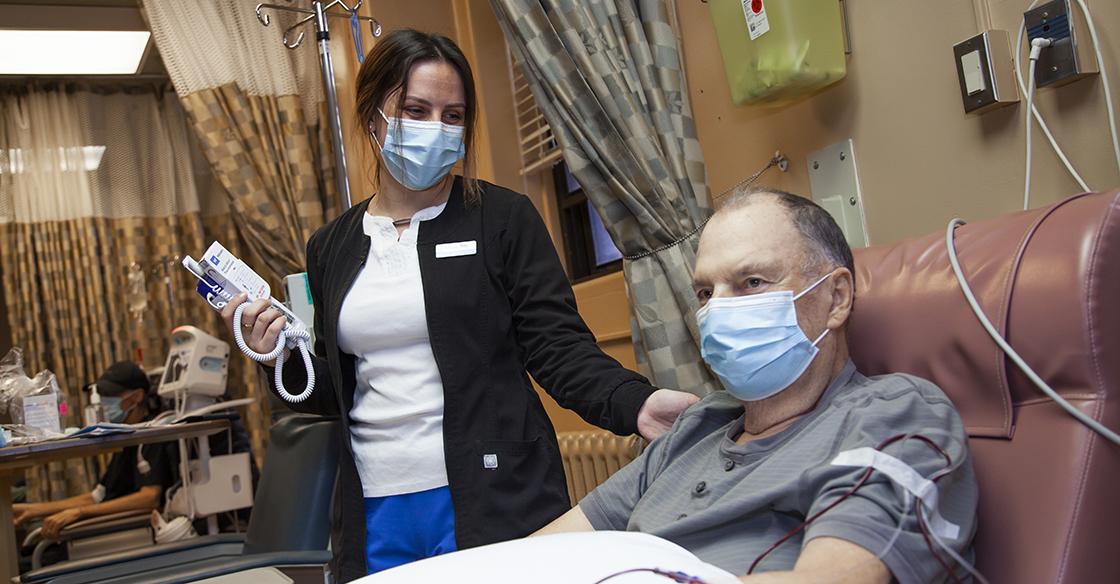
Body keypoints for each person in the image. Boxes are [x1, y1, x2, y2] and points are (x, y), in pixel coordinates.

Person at [221, 29, 698, 581]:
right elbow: (336, 387)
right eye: (416, 110)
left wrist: (634, 403)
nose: (436, 129)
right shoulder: (333, 246)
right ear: (373, 115)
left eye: (453, 116)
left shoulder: (502, 219)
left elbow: (557, 347)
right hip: (376, 504)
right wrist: (276, 355)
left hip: (492, 493)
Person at [536, 189, 979, 584]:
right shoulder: (696, 429)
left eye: (752, 283)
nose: (718, 312)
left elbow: (835, 578)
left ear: (837, 297)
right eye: (706, 293)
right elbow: (541, 553)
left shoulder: (891, 413)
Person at [12, 362, 177, 541]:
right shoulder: (126, 438)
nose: (104, 401)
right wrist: (33, 510)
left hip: (132, 532)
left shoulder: (152, 435)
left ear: (137, 396)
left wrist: (80, 513)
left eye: (110, 395)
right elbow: (97, 496)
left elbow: (149, 498)